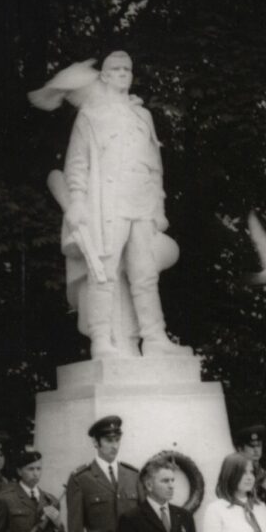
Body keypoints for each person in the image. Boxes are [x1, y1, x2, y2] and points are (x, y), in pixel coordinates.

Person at [62, 50, 184, 357]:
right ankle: (101, 340)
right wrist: (77, 200)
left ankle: (154, 337)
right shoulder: (91, 113)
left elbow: (154, 165)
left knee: (145, 274)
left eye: (127, 69)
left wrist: (159, 209)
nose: (123, 74)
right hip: (107, 202)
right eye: (116, 69)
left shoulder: (143, 116)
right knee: (103, 270)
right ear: (104, 75)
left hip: (141, 202)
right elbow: (77, 163)